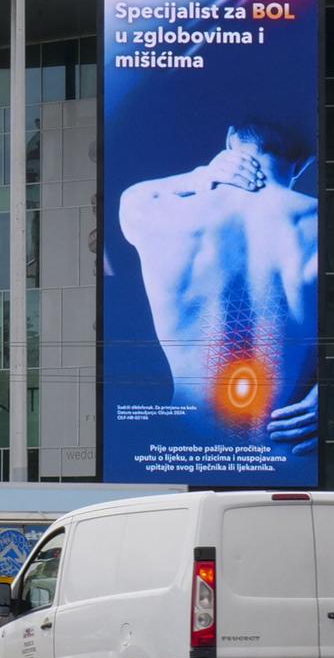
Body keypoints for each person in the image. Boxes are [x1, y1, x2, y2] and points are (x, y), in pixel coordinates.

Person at [119, 123, 319, 453]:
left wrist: (198, 176)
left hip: (181, 448)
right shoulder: (321, 224)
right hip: (281, 451)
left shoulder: (156, 213)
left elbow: (132, 196)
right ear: (305, 161)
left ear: (230, 139)